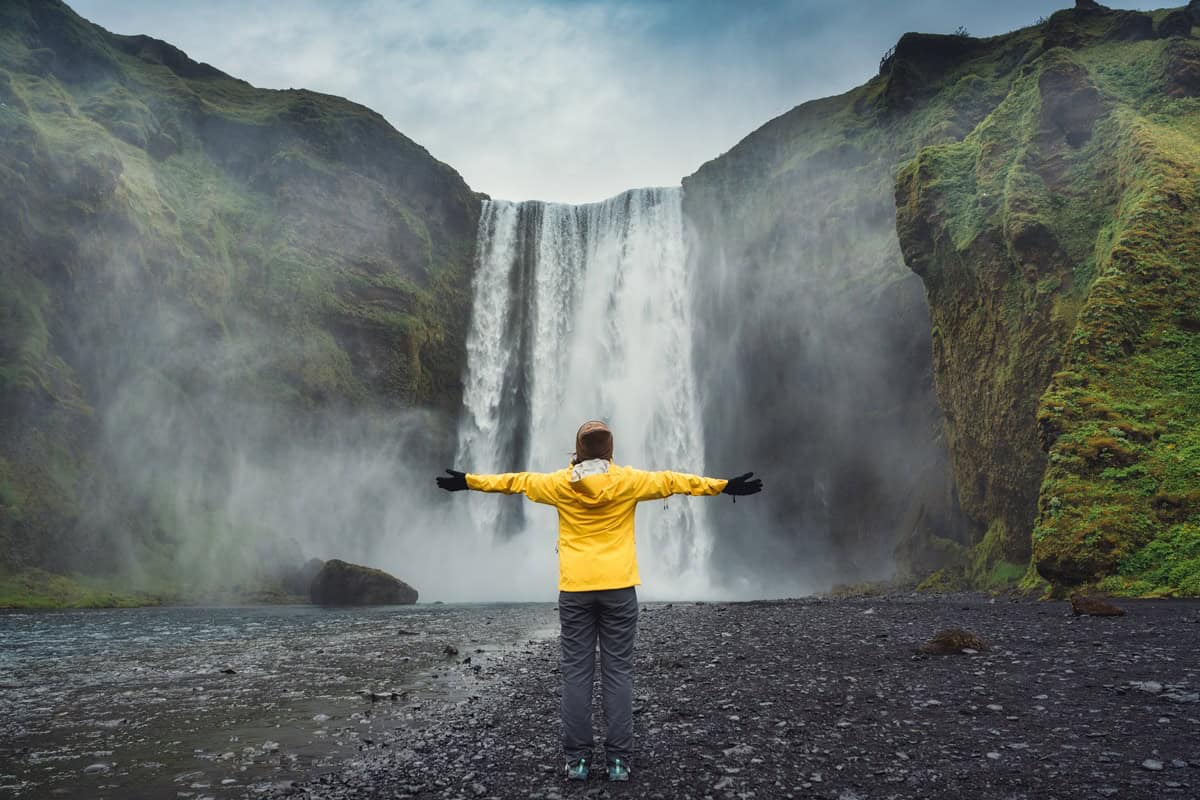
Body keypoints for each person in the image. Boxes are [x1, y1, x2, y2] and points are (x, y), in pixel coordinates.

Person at [435, 420, 763, 783]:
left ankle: (577, 761)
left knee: (577, 675)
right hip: (620, 588)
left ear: (577, 452)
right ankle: (618, 762)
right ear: (610, 451)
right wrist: (724, 486)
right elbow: (674, 480)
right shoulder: (629, 480)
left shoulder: (559, 483)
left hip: (575, 588)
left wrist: (467, 481)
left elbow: (516, 481)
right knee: (618, 673)